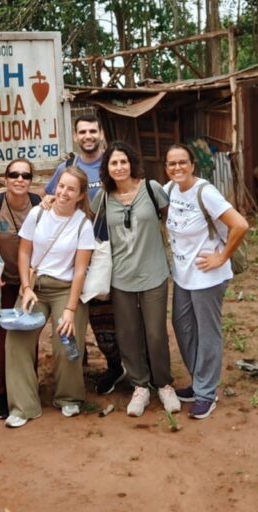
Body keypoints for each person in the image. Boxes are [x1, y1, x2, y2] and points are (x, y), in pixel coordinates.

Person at [4, 166, 95, 428]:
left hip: (66, 288)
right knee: (17, 339)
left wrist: (69, 309)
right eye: (62, 186)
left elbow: (80, 270)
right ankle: (23, 406)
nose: (64, 192)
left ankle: (69, 396)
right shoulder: (38, 213)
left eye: (71, 189)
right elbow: (24, 253)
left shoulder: (83, 224)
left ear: (80, 195)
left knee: (67, 338)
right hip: (35, 286)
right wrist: (25, 287)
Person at [163, 143, 249, 419]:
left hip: (207, 276)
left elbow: (240, 224)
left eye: (182, 163)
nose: (177, 168)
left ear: (192, 165)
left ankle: (206, 393)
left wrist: (222, 257)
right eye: (172, 163)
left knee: (207, 333)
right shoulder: (169, 190)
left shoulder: (205, 192)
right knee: (183, 327)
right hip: (182, 275)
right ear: (166, 167)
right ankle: (198, 380)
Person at [96, 140, 179, 417]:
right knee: (128, 334)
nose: (119, 167)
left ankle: (164, 384)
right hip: (120, 277)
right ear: (107, 168)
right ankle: (140, 386)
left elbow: (170, 220)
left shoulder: (151, 189)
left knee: (155, 333)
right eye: (113, 163)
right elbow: (90, 228)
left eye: (123, 161)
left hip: (154, 273)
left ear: (131, 163)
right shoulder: (103, 198)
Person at [46, 113, 125, 395]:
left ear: (101, 133)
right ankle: (77, 363)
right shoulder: (67, 167)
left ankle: (118, 366)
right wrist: (47, 200)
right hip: (72, 255)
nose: (88, 136)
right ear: (76, 136)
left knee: (108, 316)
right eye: (83, 132)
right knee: (76, 312)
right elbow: (51, 197)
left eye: (93, 130)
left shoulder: (114, 163)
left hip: (109, 251)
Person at [0, 158, 42, 420]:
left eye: (25, 175)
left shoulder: (39, 205)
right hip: (3, 281)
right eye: (14, 174)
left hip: (32, 282)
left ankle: (29, 386)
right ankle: (2, 391)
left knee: (30, 333)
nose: (20, 179)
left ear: (31, 180)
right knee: (4, 337)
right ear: (5, 179)